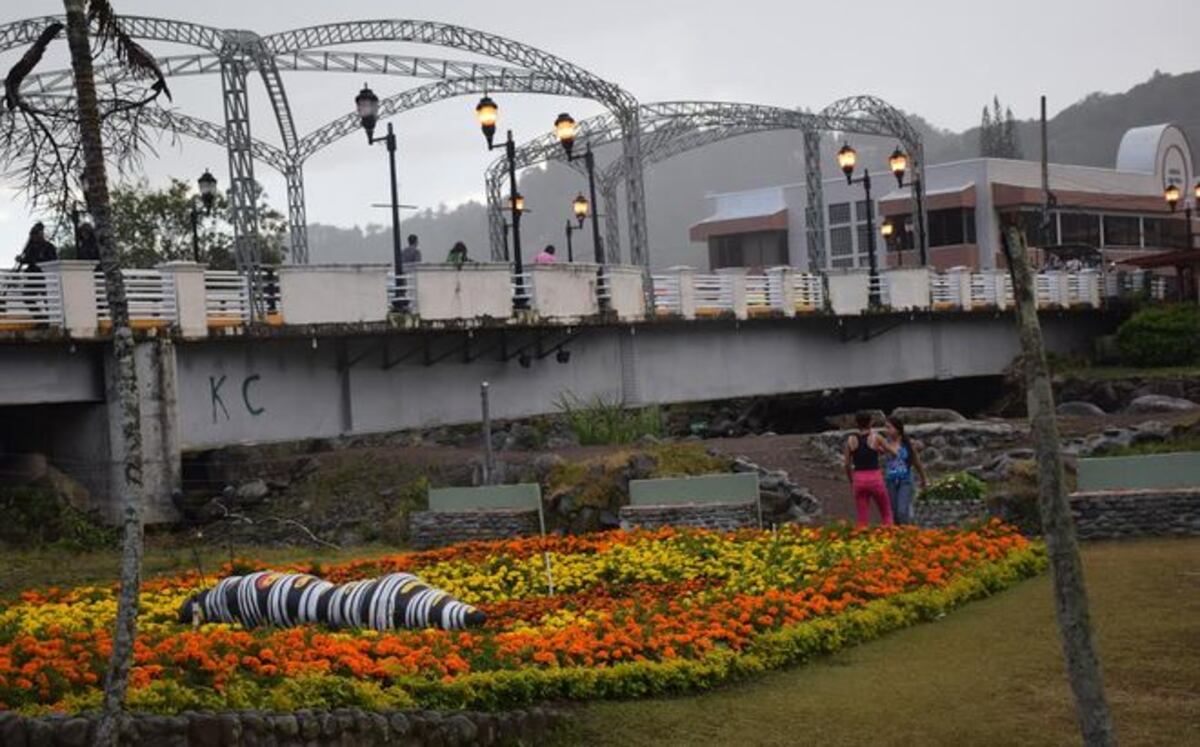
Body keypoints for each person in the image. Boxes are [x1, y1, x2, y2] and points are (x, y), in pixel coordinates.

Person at [843, 410, 893, 528]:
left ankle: (863, 538)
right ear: (870, 423)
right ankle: (889, 535)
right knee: (886, 512)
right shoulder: (876, 437)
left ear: (856, 423)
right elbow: (892, 451)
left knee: (862, 516)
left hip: (859, 479)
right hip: (874, 477)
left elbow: (846, 464)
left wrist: (851, 480)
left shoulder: (850, 440)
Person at [883, 416, 928, 525]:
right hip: (891, 480)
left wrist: (924, 479)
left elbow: (916, 462)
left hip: (905, 480)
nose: (886, 430)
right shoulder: (885, 443)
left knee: (902, 511)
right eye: (886, 427)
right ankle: (897, 534)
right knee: (894, 512)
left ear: (897, 429)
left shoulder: (907, 444)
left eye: (889, 427)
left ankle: (907, 532)